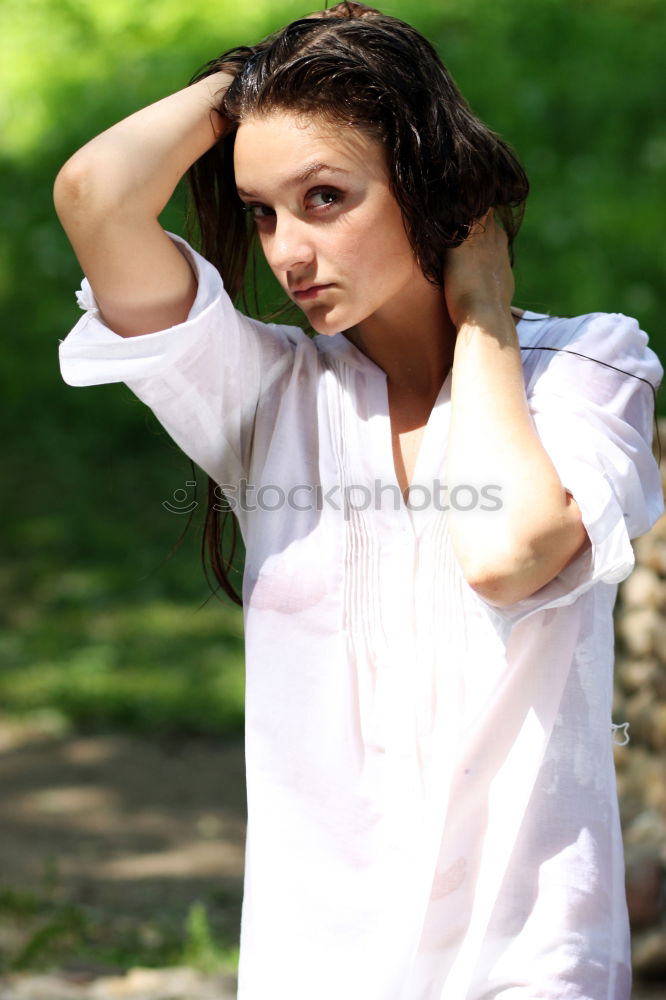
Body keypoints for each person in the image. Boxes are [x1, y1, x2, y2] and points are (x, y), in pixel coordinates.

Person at [54, 3, 664, 998]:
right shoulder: (263, 393)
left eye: (326, 197)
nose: (287, 252)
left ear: (430, 187)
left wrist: (482, 319)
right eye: (263, 212)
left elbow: (506, 551)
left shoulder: (592, 369)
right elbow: (95, 195)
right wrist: (260, 73)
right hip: (315, 964)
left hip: (527, 958)